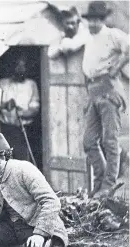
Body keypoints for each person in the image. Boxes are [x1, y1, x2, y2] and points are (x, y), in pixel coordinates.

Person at [81, 1, 129, 198]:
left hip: (108, 89)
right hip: (93, 90)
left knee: (110, 140)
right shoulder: (90, 39)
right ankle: (100, 181)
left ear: (102, 20)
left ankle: (109, 184)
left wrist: (116, 69)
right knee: (89, 141)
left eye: (96, 20)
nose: (92, 24)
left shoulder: (111, 35)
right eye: (90, 20)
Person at [0, 55, 40, 162]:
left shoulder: (31, 85)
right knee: (7, 162)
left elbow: (35, 108)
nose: (20, 69)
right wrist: (6, 105)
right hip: (6, 130)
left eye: (23, 66)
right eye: (18, 65)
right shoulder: (2, 83)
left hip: (24, 130)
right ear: (12, 66)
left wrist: (20, 112)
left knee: (23, 161)